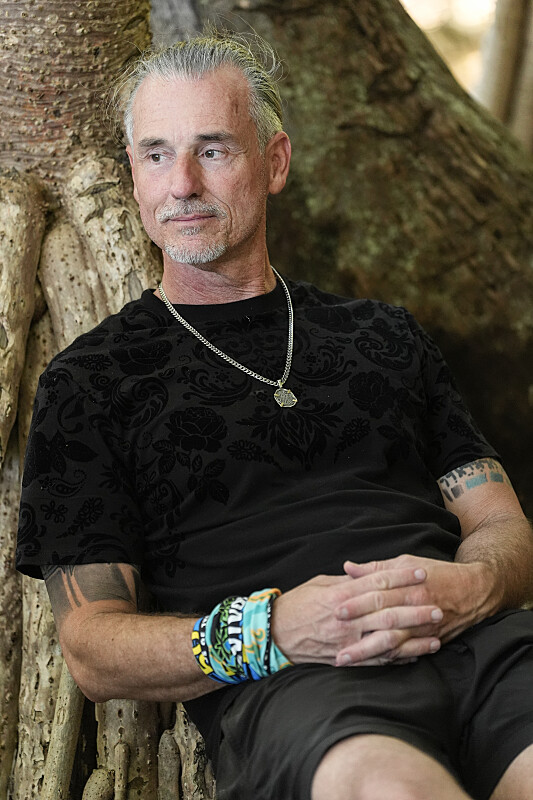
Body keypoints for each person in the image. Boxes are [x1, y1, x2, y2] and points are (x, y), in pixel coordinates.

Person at [16, 30, 533, 800]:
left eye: (212, 149)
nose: (182, 183)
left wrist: (473, 587)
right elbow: (93, 650)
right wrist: (271, 630)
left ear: (275, 161)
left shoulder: (382, 334)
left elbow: (499, 524)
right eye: (156, 154)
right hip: (301, 686)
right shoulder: (90, 383)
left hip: (482, 644)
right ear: (133, 175)